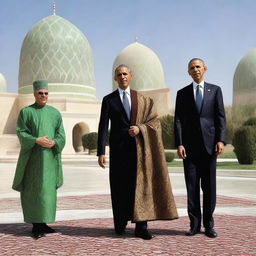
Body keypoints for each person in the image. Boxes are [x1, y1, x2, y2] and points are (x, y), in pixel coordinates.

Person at [97, 64, 178, 240]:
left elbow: (154, 122)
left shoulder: (141, 99)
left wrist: (140, 129)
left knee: (141, 186)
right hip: (119, 152)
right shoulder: (108, 100)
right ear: (115, 78)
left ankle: (142, 226)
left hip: (139, 151)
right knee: (119, 187)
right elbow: (103, 126)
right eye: (119, 74)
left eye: (125, 74)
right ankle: (120, 222)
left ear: (131, 76)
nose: (122, 77)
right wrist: (101, 151)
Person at [174, 58, 226, 238]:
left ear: (204, 69)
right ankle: (194, 225)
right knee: (192, 187)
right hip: (189, 148)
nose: (195, 70)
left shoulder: (215, 90)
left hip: (210, 147)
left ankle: (209, 225)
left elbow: (220, 118)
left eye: (198, 67)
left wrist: (221, 140)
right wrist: (179, 143)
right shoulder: (182, 93)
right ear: (188, 72)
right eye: (191, 68)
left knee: (209, 187)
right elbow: (178, 120)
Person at [12, 80, 66, 239]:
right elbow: (21, 132)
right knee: (34, 190)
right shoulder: (26, 112)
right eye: (40, 93)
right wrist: (36, 140)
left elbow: (61, 134)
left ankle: (44, 223)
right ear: (34, 94)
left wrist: (55, 142)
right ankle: (36, 225)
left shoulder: (55, 113)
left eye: (46, 93)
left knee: (47, 192)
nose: (43, 96)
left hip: (49, 160)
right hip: (32, 160)